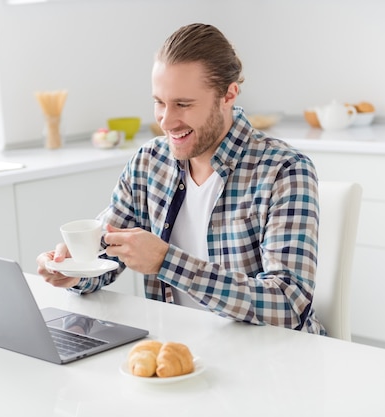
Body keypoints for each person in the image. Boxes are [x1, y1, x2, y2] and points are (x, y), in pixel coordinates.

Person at [37, 23, 325, 335]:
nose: (166, 120)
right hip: (180, 352)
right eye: (159, 102)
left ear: (228, 94)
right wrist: (74, 272)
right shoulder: (149, 162)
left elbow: (288, 306)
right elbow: (105, 256)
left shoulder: (284, 170)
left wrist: (166, 261)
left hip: (272, 361)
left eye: (183, 105)